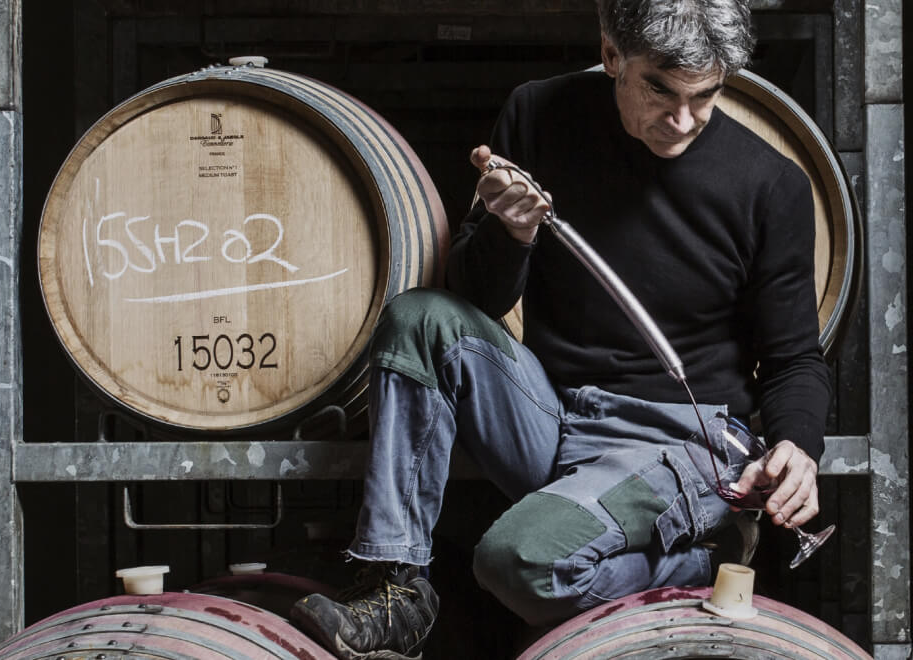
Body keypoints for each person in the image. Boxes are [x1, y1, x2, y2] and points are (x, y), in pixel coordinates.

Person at [290, 0, 831, 657]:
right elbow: (477, 296)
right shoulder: (538, 114)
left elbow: (794, 356)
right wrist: (509, 230)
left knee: (516, 562)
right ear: (611, 55)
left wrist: (800, 443)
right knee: (419, 319)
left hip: (686, 443)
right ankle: (396, 591)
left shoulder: (769, 184)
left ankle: (702, 558)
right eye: (660, 89)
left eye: (707, 94)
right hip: (558, 415)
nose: (684, 119)